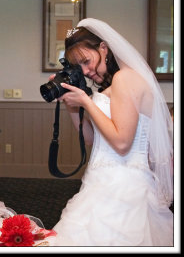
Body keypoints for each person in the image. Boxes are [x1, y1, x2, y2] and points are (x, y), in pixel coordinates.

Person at [45, 18, 173, 246]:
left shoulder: (126, 78)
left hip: (126, 188)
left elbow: (122, 144)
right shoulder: (111, 86)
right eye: (79, 67)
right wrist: (69, 102)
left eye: (87, 61)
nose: (85, 71)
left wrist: (86, 101)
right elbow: (91, 139)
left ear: (103, 48)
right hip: (98, 181)